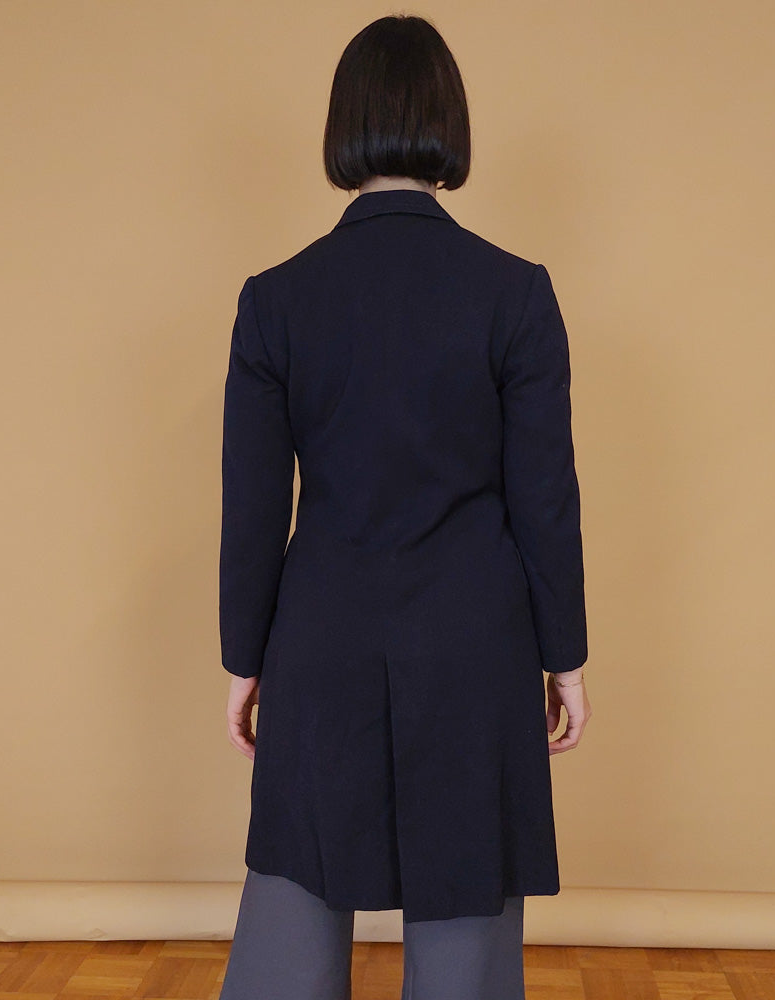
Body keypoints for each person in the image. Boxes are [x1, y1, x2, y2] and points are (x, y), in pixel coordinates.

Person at [217, 13, 592, 1000]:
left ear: (343, 126)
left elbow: (252, 505)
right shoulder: (514, 294)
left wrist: (244, 660)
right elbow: (544, 498)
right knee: (466, 911)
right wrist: (564, 657)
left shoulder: (275, 300)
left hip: (322, 636)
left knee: (294, 907)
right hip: (473, 642)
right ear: (448, 124)